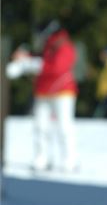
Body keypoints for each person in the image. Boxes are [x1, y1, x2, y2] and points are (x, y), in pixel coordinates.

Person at [6, 20, 78, 171]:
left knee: (64, 127)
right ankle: (41, 158)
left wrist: (32, 63)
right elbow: (42, 59)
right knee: (40, 127)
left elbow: (57, 67)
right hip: (43, 91)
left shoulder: (65, 46)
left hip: (63, 92)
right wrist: (26, 58)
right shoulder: (48, 46)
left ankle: (69, 160)